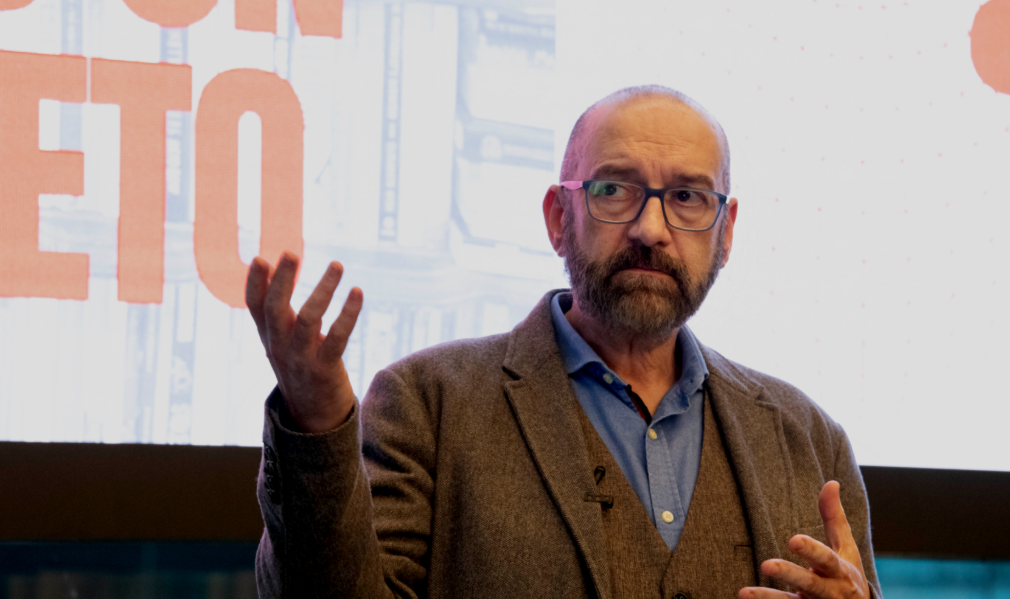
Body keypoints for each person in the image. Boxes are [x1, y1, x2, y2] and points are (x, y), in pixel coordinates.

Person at [245, 85, 882, 599]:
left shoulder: (807, 440)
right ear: (558, 218)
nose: (650, 228)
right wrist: (315, 424)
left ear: (726, 230)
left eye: (687, 197)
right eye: (613, 190)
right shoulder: (426, 405)